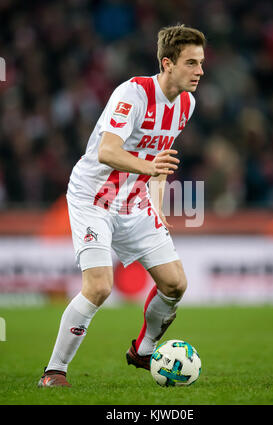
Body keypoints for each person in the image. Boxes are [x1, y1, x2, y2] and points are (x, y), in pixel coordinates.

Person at [38, 24, 206, 387]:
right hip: (93, 199)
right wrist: (148, 168)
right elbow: (107, 151)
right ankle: (54, 371)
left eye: (201, 63)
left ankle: (143, 351)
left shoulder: (186, 105)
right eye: (191, 63)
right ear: (167, 63)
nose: (200, 71)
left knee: (175, 283)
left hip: (135, 202)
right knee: (98, 286)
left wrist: (157, 206)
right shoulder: (133, 94)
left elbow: (161, 162)